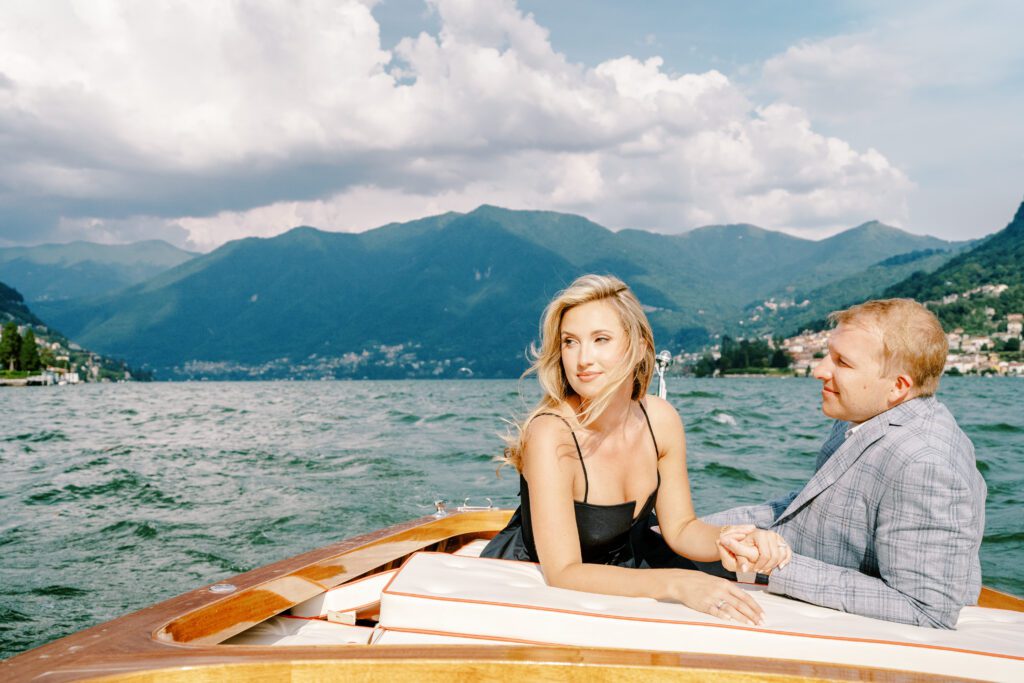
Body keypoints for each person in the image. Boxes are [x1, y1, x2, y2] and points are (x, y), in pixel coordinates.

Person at [481, 274, 789, 626]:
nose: (583, 359)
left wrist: (733, 539)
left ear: (639, 346)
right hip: (549, 580)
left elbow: (682, 529)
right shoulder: (551, 433)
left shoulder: (660, 419)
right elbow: (564, 572)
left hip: (632, 569)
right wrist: (678, 583)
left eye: (601, 340)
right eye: (570, 342)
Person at [704, 298, 986, 629]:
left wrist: (771, 565)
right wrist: (691, 529)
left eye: (843, 363)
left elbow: (925, 609)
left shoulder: (925, 463)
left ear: (897, 386)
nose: (819, 370)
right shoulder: (863, 415)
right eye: (828, 355)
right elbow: (800, 509)